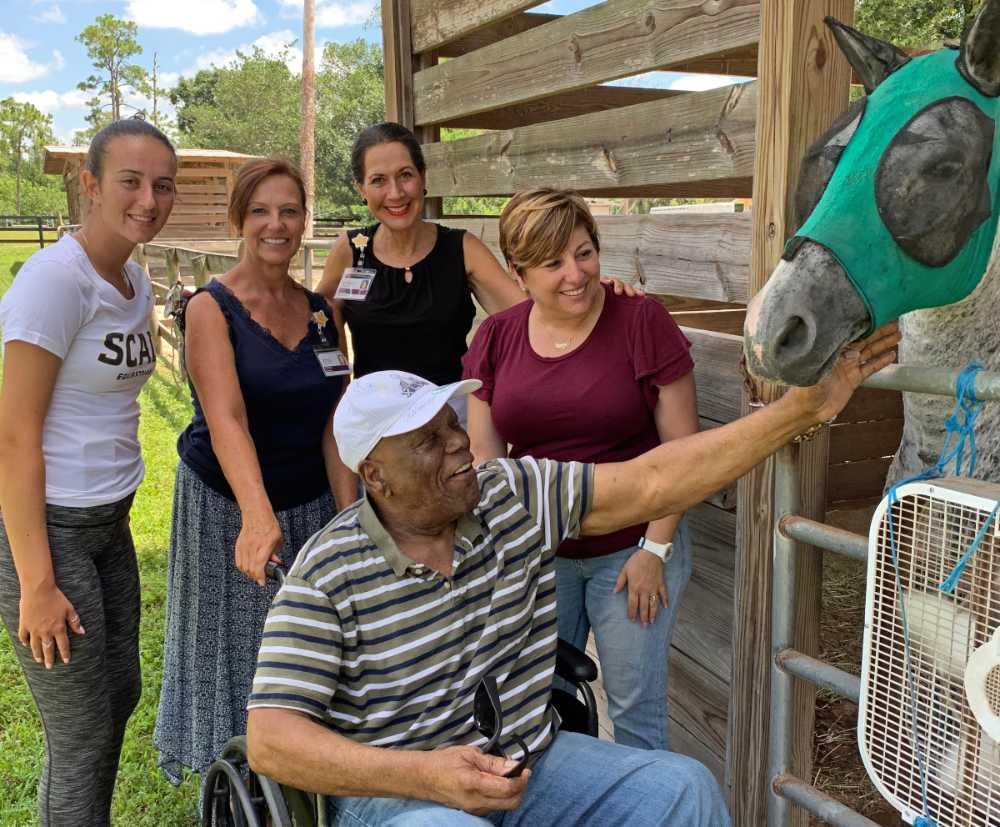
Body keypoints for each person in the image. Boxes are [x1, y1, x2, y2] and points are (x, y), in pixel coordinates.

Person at [245, 319, 898, 826]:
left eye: (452, 425)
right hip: (396, 798)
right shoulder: (327, 574)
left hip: (530, 763)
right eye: (428, 440)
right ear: (376, 476)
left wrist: (799, 410)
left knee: (682, 788)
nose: (459, 444)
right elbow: (271, 741)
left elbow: (652, 480)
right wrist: (425, 776)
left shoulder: (511, 495)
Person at [462, 188, 698, 750]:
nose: (576, 274)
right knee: (537, 704)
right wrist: (504, 554)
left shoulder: (640, 320)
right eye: (553, 263)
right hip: (540, 554)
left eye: (584, 253)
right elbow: (485, 456)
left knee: (635, 711)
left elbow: (684, 452)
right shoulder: (497, 336)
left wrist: (655, 551)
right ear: (518, 274)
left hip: (632, 550)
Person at [153, 158, 356, 787]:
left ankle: (305, 774)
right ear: (240, 220)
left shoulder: (323, 310)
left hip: (311, 500)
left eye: (289, 211)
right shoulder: (211, 309)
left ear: (304, 221)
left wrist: (348, 519)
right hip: (231, 504)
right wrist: (257, 516)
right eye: (262, 211)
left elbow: (332, 419)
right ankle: (230, 782)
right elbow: (227, 419)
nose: (277, 224)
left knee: (308, 652)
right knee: (237, 650)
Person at [0, 117, 177, 827]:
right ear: (91, 184)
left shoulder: (132, 276)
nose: (148, 199)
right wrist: (37, 583)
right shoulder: (54, 280)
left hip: (112, 523)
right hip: (53, 530)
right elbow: (14, 436)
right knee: (78, 735)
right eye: (130, 181)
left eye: (162, 185)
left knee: (121, 692)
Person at [316, 122, 639, 422]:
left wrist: (591, 293)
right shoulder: (350, 250)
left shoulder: (461, 249)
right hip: (378, 423)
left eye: (405, 175)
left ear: (423, 177)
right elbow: (319, 322)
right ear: (361, 188)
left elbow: (529, 312)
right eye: (378, 180)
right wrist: (342, 393)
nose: (396, 193)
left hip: (453, 418)